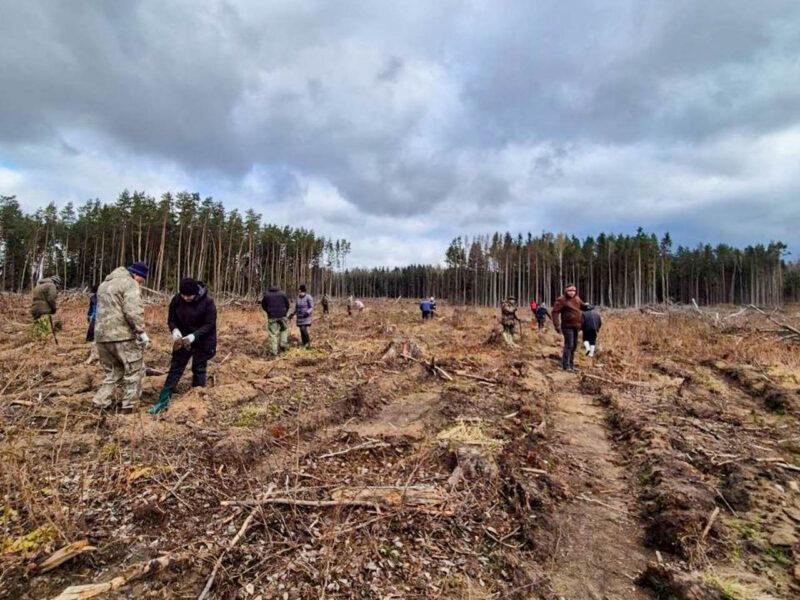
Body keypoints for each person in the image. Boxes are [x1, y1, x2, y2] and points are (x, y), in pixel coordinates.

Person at [149, 277, 217, 414]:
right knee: (175, 368)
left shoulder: (208, 302)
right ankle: (163, 401)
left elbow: (209, 324)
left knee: (199, 368)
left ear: (196, 293)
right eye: (183, 295)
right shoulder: (176, 300)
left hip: (203, 339)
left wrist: (194, 336)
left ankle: (197, 401)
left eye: (189, 296)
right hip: (182, 339)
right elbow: (171, 319)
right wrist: (174, 330)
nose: (186, 298)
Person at [92, 262, 150, 411]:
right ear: (137, 275)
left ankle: (100, 402)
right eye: (141, 280)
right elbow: (132, 310)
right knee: (134, 370)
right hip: (122, 336)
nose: (140, 283)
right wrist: (141, 332)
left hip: (101, 337)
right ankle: (129, 406)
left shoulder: (104, 284)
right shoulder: (129, 283)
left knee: (114, 371)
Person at [552, 284, 592, 372]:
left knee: (574, 346)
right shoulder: (562, 300)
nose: (572, 292)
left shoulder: (577, 299)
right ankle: (565, 366)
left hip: (577, 326)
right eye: (570, 290)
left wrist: (588, 307)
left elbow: (582, 307)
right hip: (567, 326)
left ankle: (571, 364)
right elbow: (555, 312)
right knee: (569, 345)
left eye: (573, 290)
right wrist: (557, 325)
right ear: (566, 291)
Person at [261, 284, 291, 356]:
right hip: (282, 316)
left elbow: (263, 306)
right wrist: (285, 312)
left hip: (272, 317)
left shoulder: (267, 295)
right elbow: (288, 305)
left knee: (273, 334)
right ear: (278, 288)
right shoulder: (283, 294)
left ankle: (274, 352)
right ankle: (283, 344)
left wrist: (268, 312)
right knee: (284, 329)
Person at [30, 274, 61, 340]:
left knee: (37, 329)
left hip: (34, 309)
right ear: (56, 282)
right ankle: (43, 346)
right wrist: (53, 309)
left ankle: (35, 345)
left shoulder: (39, 286)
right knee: (45, 331)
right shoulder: (51, 285)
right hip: (44, 311)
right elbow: (51, 299)